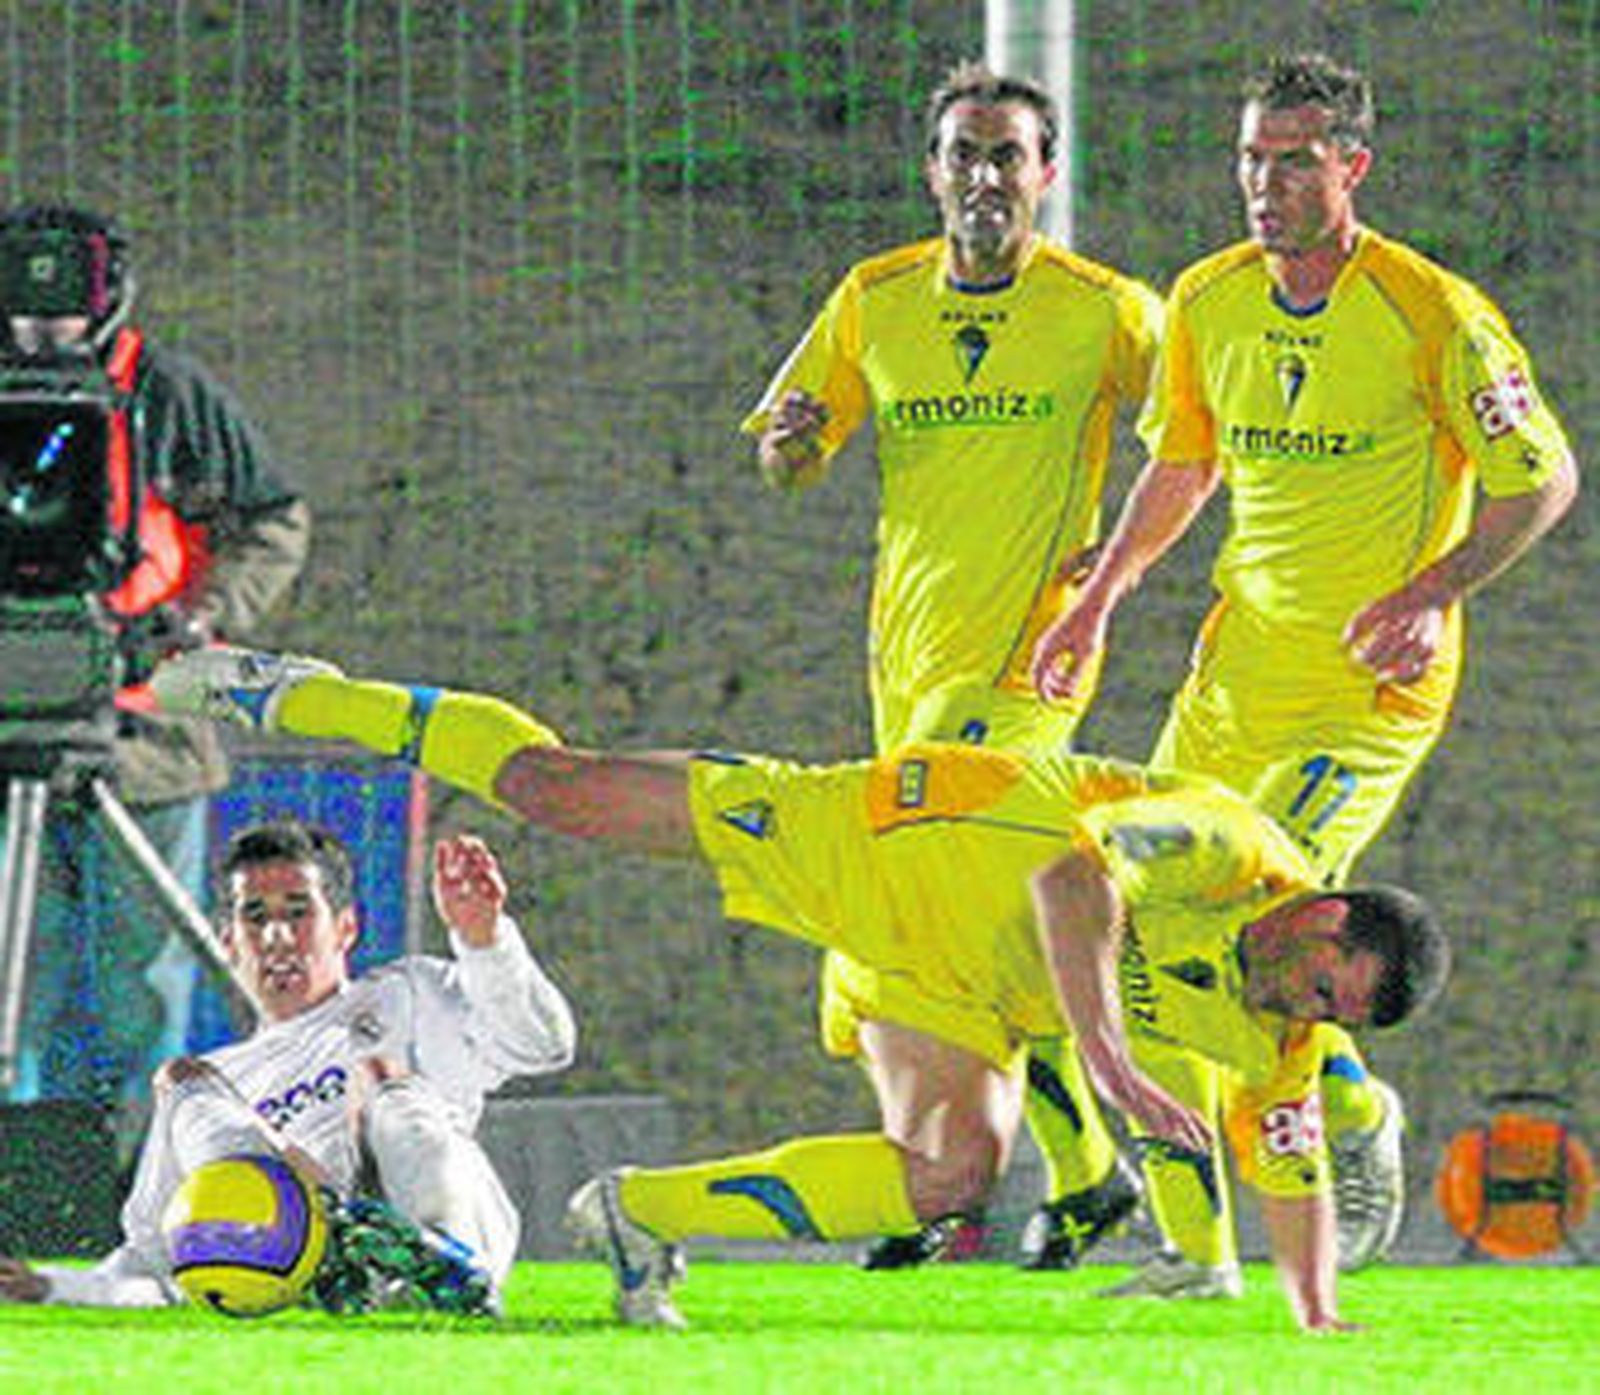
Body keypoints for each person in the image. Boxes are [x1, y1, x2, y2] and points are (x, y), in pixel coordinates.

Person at [143, 646, 1450, 1332]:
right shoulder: (1228, 842)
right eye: (1322, 983)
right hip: (869, 833)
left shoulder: (1284, 1035)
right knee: (555, 788)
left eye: (1332, 1019)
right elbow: (1071, 879)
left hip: (945, 977)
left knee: (949, 1173)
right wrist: (1107, 1061)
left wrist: (1320, 1315)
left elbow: (1287, 1184)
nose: (1306, 1016)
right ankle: (295, 686)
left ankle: (636, 1215)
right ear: (1319, 911)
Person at [1029, 52, 1578, 1297]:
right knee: (1149, 928)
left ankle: (1332, 1140)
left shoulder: (1432, 312)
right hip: (1232, 677)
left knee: (1264, 926)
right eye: (1249, 159)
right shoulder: (1210, 298)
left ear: (1353, 169)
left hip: (1363, 700)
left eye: (1293, 160)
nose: (1263, 185)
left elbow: (1541, 479)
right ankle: (1251, 1203)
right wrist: (1103, 596)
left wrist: (1431, 592)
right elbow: (1184, 464)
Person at [743, 61, 1162, 1270]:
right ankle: (1080, 1178)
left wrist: (1119, 565)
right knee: (973, 917)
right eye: (964, 155)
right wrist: (793, 440)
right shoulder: (874, 300)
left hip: (1028, 665)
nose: (985, 177)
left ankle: (957, 1179)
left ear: (1047, 173)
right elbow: (791, 458)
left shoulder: (1104, 309)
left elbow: (1192, 436)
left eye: (1007, 156)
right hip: (907, 666)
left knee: (936, 883)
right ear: (933, 173)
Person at [0, 203, 312, 1139]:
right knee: (18, 978)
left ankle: (141, 1189)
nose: (44, 331)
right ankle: (30, 1215)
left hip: (146, 730)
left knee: (140, 978)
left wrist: (200, 622)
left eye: (63, 310)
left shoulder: (167, 394)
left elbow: (272, 518)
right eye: (25, 310)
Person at [0, 820, 576, 1313]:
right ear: (229, 942)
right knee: (181, 1077)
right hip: (287, 1260)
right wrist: (52, 1286)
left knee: (387, 1084)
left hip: (428, 1204)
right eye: (255, 917)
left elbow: (542, 1045)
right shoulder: (216, 1085)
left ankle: (437, 1267)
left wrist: (485, 944)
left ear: (345, 929)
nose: (277, 937)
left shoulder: (409, 992)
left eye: (298, 913)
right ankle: (333, 1244)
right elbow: (157, 1257)